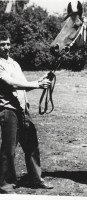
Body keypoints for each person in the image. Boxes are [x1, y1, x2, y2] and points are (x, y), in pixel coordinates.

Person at [0, 25, 53, 194]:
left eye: (8, 43)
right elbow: (12, 84)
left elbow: (23, 86)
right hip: (8, 111)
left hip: (23, 110)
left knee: (32, 145)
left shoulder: (14, 63)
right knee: (9, 150)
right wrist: (37, 84)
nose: (6, 47)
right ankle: (6, 186)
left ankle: (36, 179)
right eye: (2, 44)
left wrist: (40, 80)